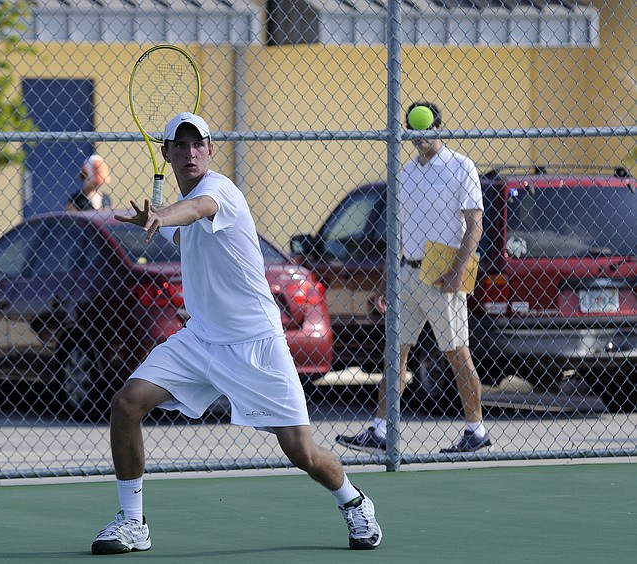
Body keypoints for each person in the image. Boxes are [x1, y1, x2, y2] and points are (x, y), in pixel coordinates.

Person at [91, 112, 382, 555]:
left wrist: (165, 214)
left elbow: (197, 208)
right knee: (127, 404)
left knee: (301, 452)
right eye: (180, 146)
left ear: (210, 150)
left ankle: (355, 502)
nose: (190, 152)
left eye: (198, 144)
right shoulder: (181, 207)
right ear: (166, 154)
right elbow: (185, 222)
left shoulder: (219, 190)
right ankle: (133, 523)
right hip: (202, 339)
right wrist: (158, 219)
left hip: (256, 343)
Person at [336, 101, 491, 454]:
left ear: (439, 128)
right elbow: (398, 234)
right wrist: (384, 283)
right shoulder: (405, 173)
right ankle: (380, 429)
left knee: (456, 352)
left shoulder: (460, 167)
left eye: (425, 131)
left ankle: (476, 429)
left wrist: (456, 272)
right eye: (413, 133)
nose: (419, 140)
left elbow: (474, 225)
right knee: (396, 352)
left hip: (442, 273)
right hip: (406, 272)